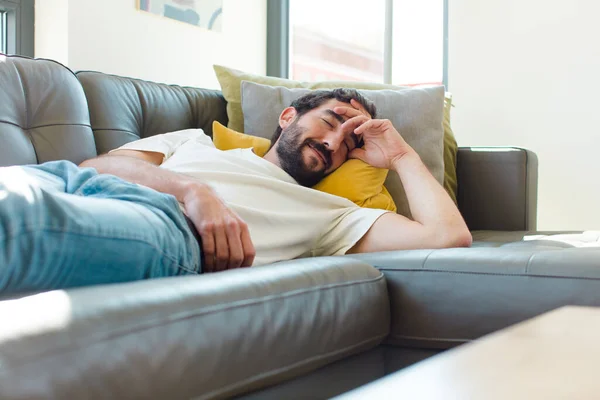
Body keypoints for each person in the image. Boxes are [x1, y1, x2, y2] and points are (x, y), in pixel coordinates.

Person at [0, 89, 471, 294]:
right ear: (288, 118)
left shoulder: (331, 213)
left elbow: (447, 235)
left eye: (349, 144)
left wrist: (401, 155)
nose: (332, 144)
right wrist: (192, 191)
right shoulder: (192, 141)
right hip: (77, 181)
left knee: (21, 221)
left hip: (167, 231)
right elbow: (97, 166)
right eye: (329, 124)